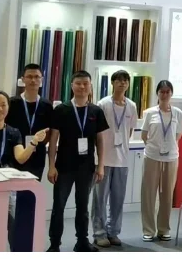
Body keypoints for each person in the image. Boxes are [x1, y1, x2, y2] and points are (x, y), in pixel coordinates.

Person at [47, 70, 109, 252]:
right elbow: (53, 140)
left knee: (83, 206)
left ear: (90, 86)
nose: (82, 87)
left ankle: (82, 241)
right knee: (58, 206)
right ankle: (54, 244)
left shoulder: (96, 111)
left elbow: (100, 141)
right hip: (64, 166)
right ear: (71, 86)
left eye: (85, 83)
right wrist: (51, 166)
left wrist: (101, 166)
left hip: (86, 168)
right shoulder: (61, 109)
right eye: (78, 83)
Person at [91, 70, 138, 248]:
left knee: (118, 200)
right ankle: (99, 233)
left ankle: (113, 232)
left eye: (125, 80)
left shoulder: (131, 106)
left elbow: (130, 131)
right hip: (103, 160)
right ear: (112, 83)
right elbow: (97, 132)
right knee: (100, 200)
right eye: (118, 80)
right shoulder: (103, 104)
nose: (122, 83)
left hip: (122, 159)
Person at [140, 80, 182, 242]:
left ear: (171, 93)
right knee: (148, 194)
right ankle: (148, 230)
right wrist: (155, 147)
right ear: (157, 94)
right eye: (162, 92)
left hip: (171, 158)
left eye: (167, 92)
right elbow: (144, 135)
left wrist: (168, 147)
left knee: (167, 195)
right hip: (152, 157)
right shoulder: (150, 113)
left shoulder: (177, 113)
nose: (164, 94)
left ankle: (164, 229)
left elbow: (178, 135)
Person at [7, 64, 54, 180]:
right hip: (15, 154)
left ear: (42, 80)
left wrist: (39, 142)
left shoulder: (47, 105)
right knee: (15, 189)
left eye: (37, 77)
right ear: (23, 79)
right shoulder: (12, 103)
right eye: (29, 76)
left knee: (33, 188)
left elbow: (50, 131)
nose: (33, 80)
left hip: (37, 156)